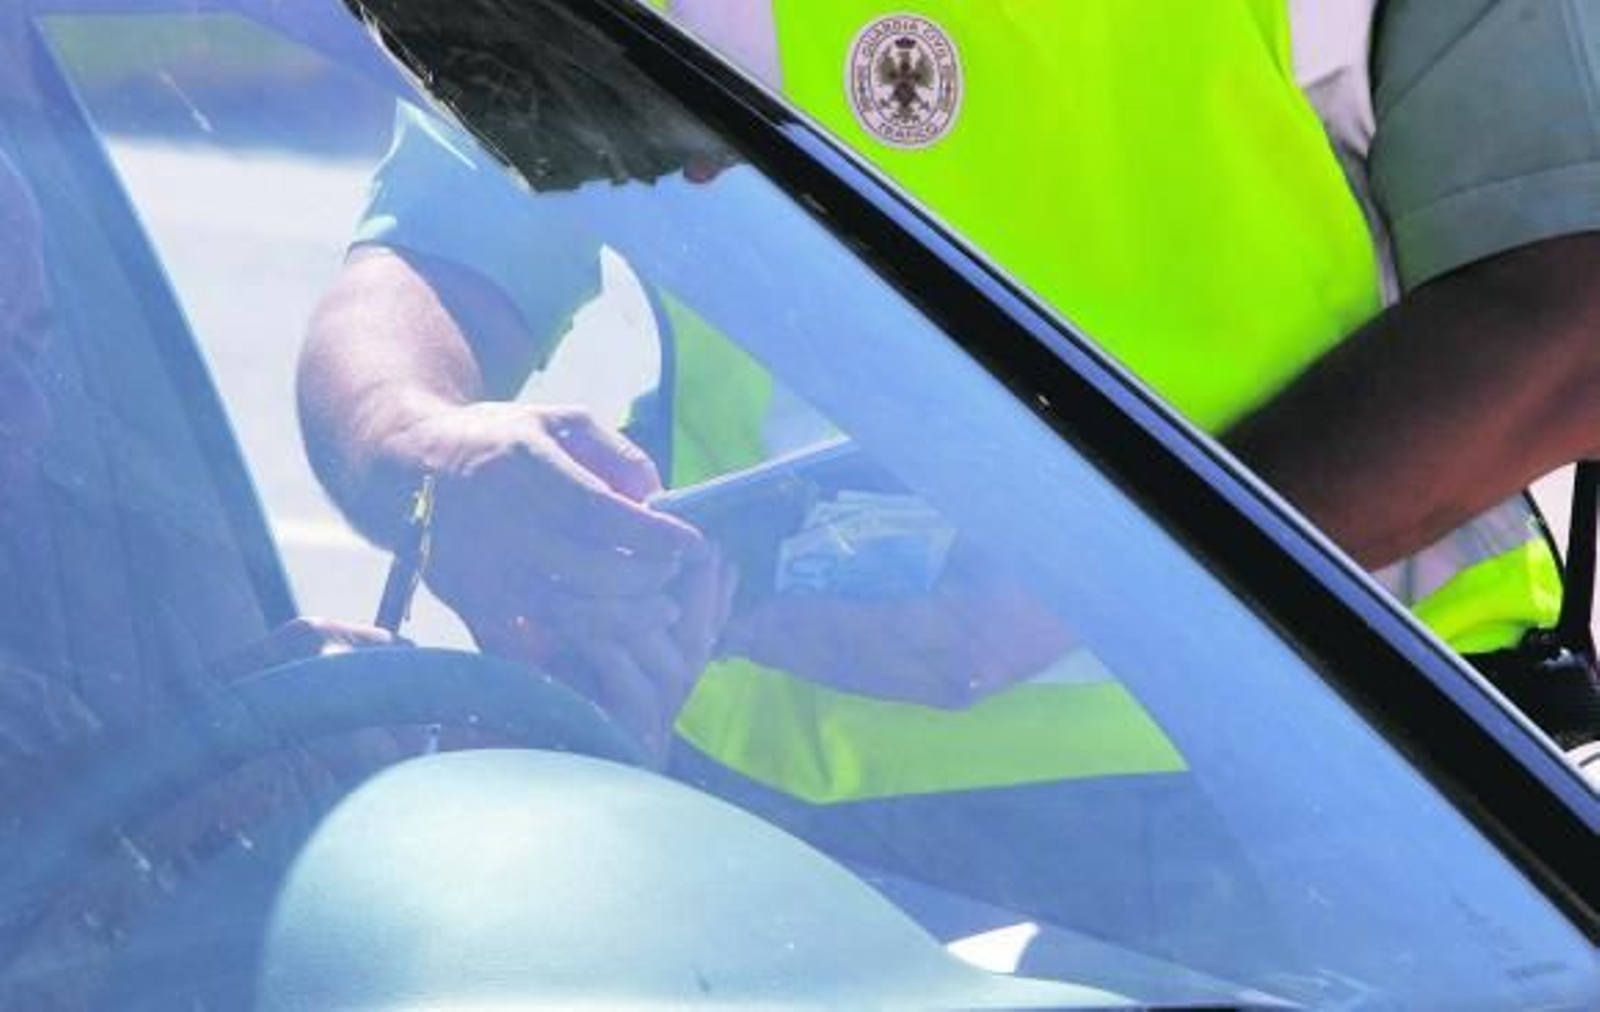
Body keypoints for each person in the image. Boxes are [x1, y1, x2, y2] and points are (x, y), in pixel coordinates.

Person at [300, 0, 1600, 749]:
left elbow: (1568, 313)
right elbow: (442, 248)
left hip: (1363, 781)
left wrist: (1097, 580)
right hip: (782, 825)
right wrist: (420, 448)